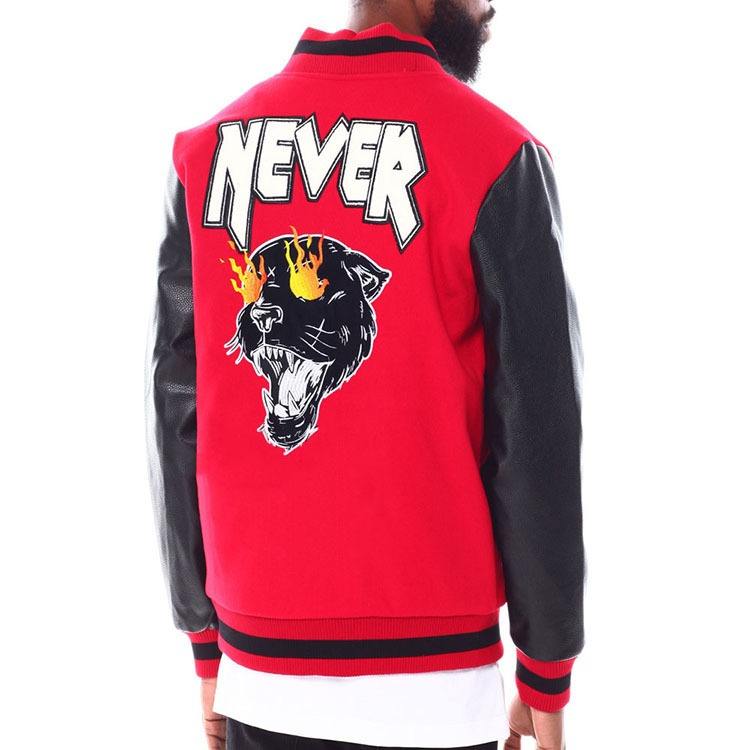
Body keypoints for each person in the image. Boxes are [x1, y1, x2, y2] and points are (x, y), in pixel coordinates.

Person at [145, 1, 584, 749]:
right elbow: (538, 428)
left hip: (261, 674)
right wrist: (546, 666)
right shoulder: (497, 152)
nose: (491, 7)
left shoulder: (205, 153)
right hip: (434, 688)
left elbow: (177, 407)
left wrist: (204, 638)